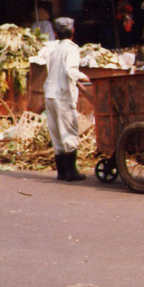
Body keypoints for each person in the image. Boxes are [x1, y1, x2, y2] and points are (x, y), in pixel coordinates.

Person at [44, 17, 90, 181]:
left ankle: (61, 172)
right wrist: (85, 77)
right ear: (73, 32)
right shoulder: (71, 49)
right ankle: (71, 172)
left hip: (49, 93)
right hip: (63, 94)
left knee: (56, 131)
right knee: (69, 131)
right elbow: (71, 70)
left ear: (55, 33)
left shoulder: (52, 49)